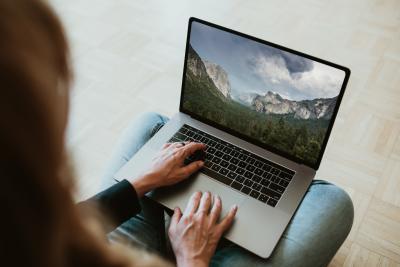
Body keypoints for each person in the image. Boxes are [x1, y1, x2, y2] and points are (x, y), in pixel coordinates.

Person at [0, 0, 354, 266]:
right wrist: (192, 258)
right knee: (332, 202)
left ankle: (193, 219)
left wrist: (137, 184)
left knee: (151, 123)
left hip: (91, 246)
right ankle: (214, 239)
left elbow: (62, 229)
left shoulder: (25, 221)